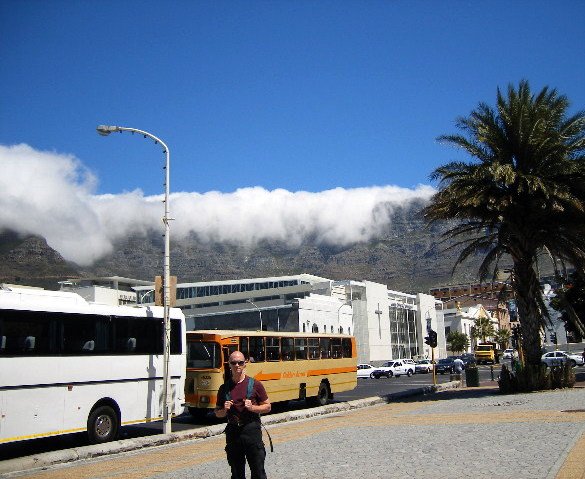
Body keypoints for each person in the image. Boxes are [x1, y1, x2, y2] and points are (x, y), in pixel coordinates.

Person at [215, 351, 271, 479]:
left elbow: (268, 406)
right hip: (233, 432)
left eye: (240, 362)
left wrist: (253, 408)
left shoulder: (255, 384)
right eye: (233, 363)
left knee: (258, 472)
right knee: (236, 473)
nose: (237, 365)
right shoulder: (224, 388)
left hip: (251, 430)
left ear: (245, 364)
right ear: (229, 364)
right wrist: (224, 410)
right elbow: (217, 413)